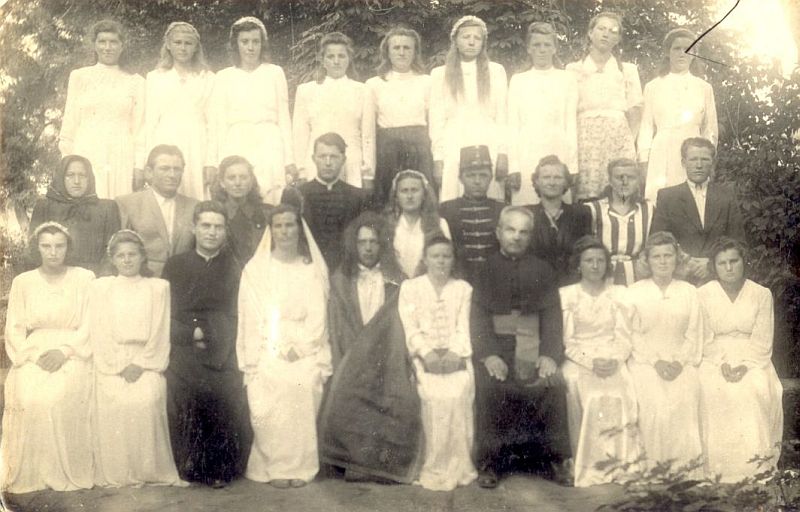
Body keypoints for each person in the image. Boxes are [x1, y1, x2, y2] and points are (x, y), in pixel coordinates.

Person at [470, 206, 570, 488]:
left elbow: (552, 316)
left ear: (530, 236)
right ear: (498, 232)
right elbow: (478, 317)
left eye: (524, 232)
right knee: (491, 386)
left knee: (551, 384)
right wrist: (489, 355)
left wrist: (549, 355)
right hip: (497, 346)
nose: (517, 236)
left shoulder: (543, 269)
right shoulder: (485, 269)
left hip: (534, 343)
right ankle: (491, 463)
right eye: (511, 230)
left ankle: (553, 460)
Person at [319, 212, 421, 483]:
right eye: (362, 242)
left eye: (373, 242)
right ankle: (352, 461)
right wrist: (352, 357)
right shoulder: (341, 280)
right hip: (351, 356)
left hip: (386, 357)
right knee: (345, 390)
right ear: (354, 245)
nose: (367, 248)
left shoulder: (398, 280)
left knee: (397, 397)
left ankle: (382, 462)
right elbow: (337, 325)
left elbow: (402, 324)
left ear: (382, 244)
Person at [236, 204, 331, 488]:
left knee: (303, 381)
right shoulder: (256, 269)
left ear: (299, 229)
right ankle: (274, 465)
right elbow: (251, 315)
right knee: (271, 382)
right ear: (271, 230)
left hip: (306, 343)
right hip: (267, 342)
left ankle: (300, 466)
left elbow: (318, 315)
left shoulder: (311, 269)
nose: (284, 231)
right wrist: (275, 346)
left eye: (290, 225)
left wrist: (300, 347)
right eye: (278, 225)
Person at [1, 222, 95, 493]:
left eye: (59, 246)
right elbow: (15, 328)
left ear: (68, 248)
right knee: (28, 396)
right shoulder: (23, 282)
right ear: (37, 248)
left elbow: (90, 323)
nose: (53, 252)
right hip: (34, 351)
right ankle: (32, 473)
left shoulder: (84, 278)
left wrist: (64, 351)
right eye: (46, 246)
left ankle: (63, 471)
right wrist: (32, 356)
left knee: (56, 397)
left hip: (73, 349)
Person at [162, 201, 248, 488]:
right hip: (183, 344)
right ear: (194, 228)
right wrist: (191, 334)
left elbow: (239, 313)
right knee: (184, 387)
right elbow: (165, 312)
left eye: (218, 227)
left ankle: (219, 467)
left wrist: (211, 334)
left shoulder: (235, 267)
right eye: (206, 226)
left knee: (224, 389)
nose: (212, 232)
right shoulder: (175, 265)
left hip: (223, 343)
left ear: (226, 231)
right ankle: (190, 465)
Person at [88, 229, 183, 487]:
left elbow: (160, 331)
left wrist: (141, 363)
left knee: (146, 400)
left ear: (143, 257)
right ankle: (118, 473)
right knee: (115, 400)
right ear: (113, 259)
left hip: (147, 359)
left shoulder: (158, 288)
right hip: (112, 360)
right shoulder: (101, 288)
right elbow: (99, 330)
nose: (127, 260)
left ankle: (148, 471)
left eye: (132, 254)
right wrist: (119, 365)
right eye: (121, 255)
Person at [698, 238, 783, 482]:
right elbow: (703, 337)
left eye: (733, 261)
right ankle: (718, 467)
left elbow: (763, 340)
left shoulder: (761, 294)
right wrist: (722, 363)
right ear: (714, 266)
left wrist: (746, 365)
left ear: (744, 261)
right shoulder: (703, 294)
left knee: (756, 387)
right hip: (714, 356)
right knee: (711, 388)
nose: (729, 267)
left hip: (753, 357)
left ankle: (755, 466)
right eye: (722, 263)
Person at [398, 235, 477, 491]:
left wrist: (455, 353)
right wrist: (427, 353)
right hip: (423, 358)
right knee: (432, 395)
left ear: (453, 260)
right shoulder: (411, 288)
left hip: (456, 357)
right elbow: (410, 328)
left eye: (446, 256)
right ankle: (433, 464)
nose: (441, 261)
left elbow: (463, 327)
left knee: (458, 391)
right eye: (435, 256)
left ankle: (458, 465)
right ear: (425, 259)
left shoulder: (463, 288)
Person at [560, 236, 640, 487]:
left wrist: (615, 360)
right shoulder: (568, 295)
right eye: (588, 260)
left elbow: (625, 337)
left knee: (620, 386)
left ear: (607, 264)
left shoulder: (618, 294)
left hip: (612, 354)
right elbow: (568, 342)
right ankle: (586, 463)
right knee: (576, 382)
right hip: (580, 359)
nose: (595, 266)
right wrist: (590, 362)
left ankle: (620, 463)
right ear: (578, 264)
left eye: (600, 260)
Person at [626, 231, 704, 477]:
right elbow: (632, 334)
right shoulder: (634, 292)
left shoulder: (689, 291)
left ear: (676, 259)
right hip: (645, 361)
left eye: (668, 255)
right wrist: (655, 361)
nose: (662, 261)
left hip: (681, 360)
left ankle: (685, 471)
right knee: (654, 404)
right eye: (656, 256)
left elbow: (694, 333)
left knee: (685, 398)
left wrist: (679, 362)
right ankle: (654, 471)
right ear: (647, 261)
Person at [211, 16, 295, 204]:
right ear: (236, 44)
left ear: (262, 44)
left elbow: (284, 117)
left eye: (255, 42)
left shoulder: (275, 72)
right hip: (237, 141)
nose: (250, 47)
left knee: (271, 195)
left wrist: (289, 159)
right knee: (239, 194)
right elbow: (219, 123)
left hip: (269, 143)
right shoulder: (223, 77)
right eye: (245, 42)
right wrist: (218, 161)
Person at [59, 20, 145, 199]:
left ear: (122, 46)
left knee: (118, 204)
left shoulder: (136, 81)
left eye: (113, 42)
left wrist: (139, 165)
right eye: (102, 41)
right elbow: (69, 124)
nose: (107, 47)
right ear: (94, 45)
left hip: (121, 153)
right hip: (86, 150)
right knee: (87, 203)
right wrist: (67, 161)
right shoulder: (79, 76)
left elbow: (140, 129)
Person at [430, 15, 508, 202]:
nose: (471, 42)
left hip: (488, 142)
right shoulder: (439, 74)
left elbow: (503, 117)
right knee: (453, 198)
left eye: (477, 38)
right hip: (453, 146)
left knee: (490, 198)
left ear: (483, 43)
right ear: (455, 41)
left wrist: (503, 153)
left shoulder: (496, 71)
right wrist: (438, 158)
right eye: (466, 37)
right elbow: (436, 119)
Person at [566, 12, 642, 201]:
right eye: (601, 29)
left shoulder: (627, 70)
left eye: (612, 31)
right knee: (588, 196)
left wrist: (626, 141)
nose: (606, 34)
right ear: (590, 33)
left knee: (620, 192)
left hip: (618, 140)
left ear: (618, 39)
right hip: (585, 141)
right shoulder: (573, 69)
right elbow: (568, 112)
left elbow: (635, 110)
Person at [651, 137, 746, 285]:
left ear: (713, 163)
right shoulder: (668, 196)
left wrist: (711, 263)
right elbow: (658, 240)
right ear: (683, 163)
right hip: (680, 277)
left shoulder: (726, 195)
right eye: (693, 159)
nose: (699, 165)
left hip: (718, 277)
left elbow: (737, 241)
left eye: (705, 159)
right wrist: (686, 262)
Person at [638, 28, 718, 203]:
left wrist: (708, 160)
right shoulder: (653, 87)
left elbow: (710, 129)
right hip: (662, 152)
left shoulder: (704, 88)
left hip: (694, 153)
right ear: (667, 52)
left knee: (693, 202)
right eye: (677, 48)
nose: (682, 53)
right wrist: (643, 161)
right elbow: (645, 127)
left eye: (688, 49)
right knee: (659, 201)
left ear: (695, 54)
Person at [507, 22, 577, 205]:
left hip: (558, 148)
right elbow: (512, 125)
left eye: (547, 45)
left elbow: (570, 124)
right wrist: (513, 166)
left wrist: (572, 166)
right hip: (527, 151)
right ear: (529, 49)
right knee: (526, 207)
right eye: (536, 45)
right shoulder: (518, 80)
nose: (542, 50)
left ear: (554, 48)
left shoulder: (567, 79)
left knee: (559, 207)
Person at [145, 22, 215, 200]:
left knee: (195, 195)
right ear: (168, 45)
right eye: (178, 42)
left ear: (196, 47)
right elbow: (149, 123)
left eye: (188, 43)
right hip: (165, 140)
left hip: (197, 145)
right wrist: (147, 160)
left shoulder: (207, 78)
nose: (183, 48)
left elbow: (214, 123)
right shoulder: (155, 77)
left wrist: (211, 161)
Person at [364, 27, 433, 207]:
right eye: (396, 48)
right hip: (388, 152)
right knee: (389, 202)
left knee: (421, 201)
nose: (401, 52)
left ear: (415, 52)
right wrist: (369, 170)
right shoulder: (374, 84)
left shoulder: (427, 82)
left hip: (420, 151)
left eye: (407, 47)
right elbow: (368, 132)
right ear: (387, 52)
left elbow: (435, 124)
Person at [294, 32, 374, 188]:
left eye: (341, 56)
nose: (336, 61)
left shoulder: (363, 91)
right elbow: (300, 135)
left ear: (349, 59)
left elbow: (368, 136)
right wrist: (302, 170)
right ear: (322, 59)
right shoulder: (306, 91)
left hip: (351, 163)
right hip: (316, 164)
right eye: (331, 56)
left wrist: (368, 173)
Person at [280, 132, 366, 272]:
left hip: (346, 272)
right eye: (322, 156)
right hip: (306, 268)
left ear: (343, 159)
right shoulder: (295, 195)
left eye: (334, 157)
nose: (328, 163)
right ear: (314, 159)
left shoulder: (358, 197)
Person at [28, 154, 120, 275]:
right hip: (56, 278)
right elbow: (34, 251)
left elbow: (114, 251)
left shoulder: (107, 208)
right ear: (61, 177)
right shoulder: (44, 207)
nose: (77, 181)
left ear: (90, 178)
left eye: (82, 175)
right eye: (70, 175)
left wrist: (99, 281)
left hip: (95, 278)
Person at [116, 144, 198, 277]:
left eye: (177, 169)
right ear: (149, 172)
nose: (172, 175)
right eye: (164, 169)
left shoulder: (194, 206)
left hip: (184, 281)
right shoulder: (127, 204)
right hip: (143, 281)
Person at [439, 145, 504, 285]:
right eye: (470, 175)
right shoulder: (445, 210)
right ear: (460, 178)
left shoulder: (502, 209)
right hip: (457, 281)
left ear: (491, 178)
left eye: (483, 175)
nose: (477, 181)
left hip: (496, 281)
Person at [587, 158, 654, 286]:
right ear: (610, 181)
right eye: (619, 177)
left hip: (639, 276)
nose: (625, 182)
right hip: (602, 275)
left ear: (638, 181)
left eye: (631, 177)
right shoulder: (593, 209)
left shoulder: (648, 209)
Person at [527, 155, 591, 285]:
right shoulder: (527, 214)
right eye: (546, 177)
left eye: (557, 177)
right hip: (535, 286)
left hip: (572, 285)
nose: (552, 182)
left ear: (566, 182)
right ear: (537, 182)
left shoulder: (581, 213)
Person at [385, 169, 450, 278]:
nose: (409, 196)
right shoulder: (386, 225)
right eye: (404, 191)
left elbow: (446, 260)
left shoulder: (440, 224)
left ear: (424, 195)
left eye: (414, 190)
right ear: (396, 197)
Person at [210, 155, 272, 268]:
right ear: (222, 182)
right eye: (231, 178)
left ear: (251, 181)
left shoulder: (267, 213)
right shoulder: (214, 215)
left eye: (243, 177)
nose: (238, 183)